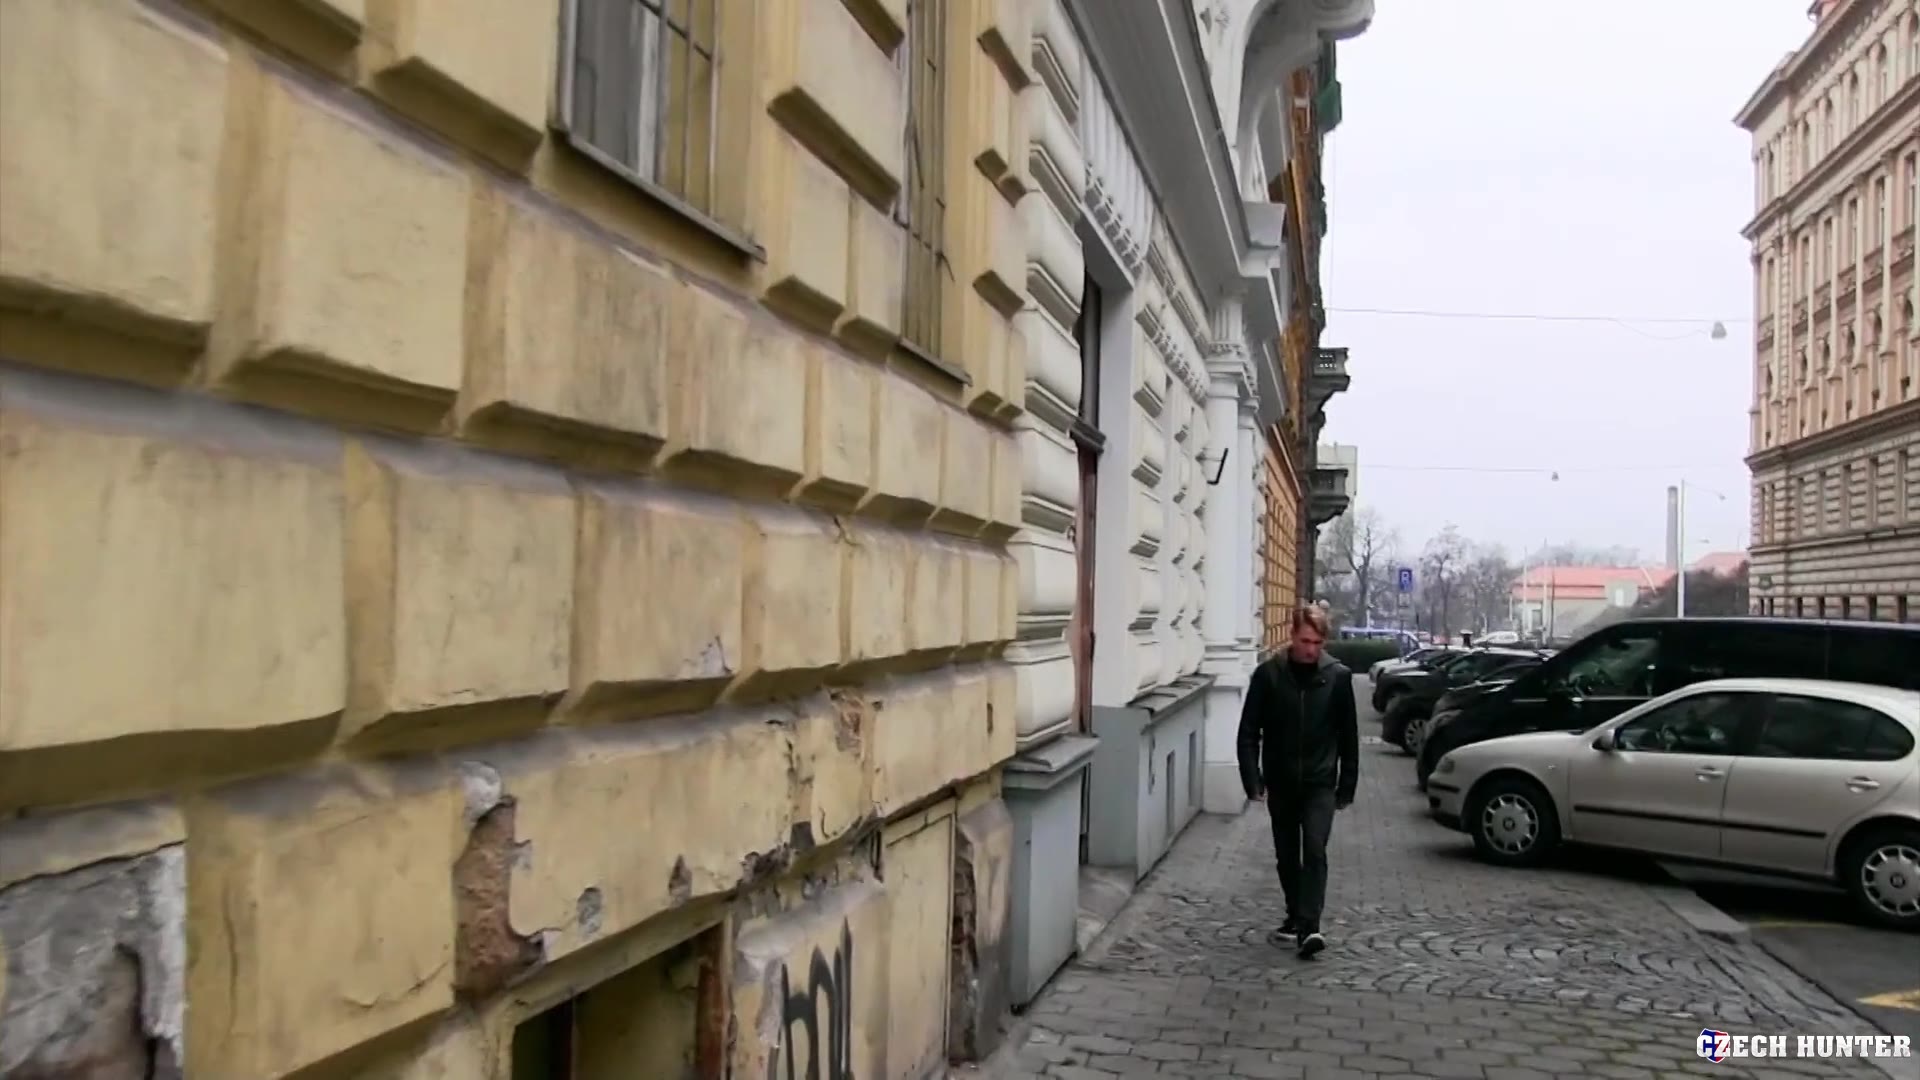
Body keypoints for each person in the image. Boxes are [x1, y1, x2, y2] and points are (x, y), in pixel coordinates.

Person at [1236, 607, 1360, 958]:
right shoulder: (1269, 675)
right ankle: (1295, 913)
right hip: (1282, 779)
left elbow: (1349, 736)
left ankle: (1310, 927)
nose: (1310, 649)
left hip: (1320, 781)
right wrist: (1253, 780)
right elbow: (1249, 731)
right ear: (1292, 636)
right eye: (1305, 641)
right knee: (1287, 854)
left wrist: (1347, 785)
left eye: (1317, 643)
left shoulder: (1337, 677)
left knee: (1316, 849)